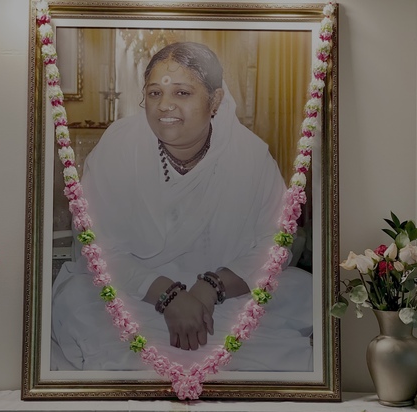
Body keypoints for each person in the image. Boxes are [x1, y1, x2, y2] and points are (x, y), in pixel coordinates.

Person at [51, 42, 313, 372]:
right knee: (78, 296)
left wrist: (209, 288)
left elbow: (275, 245)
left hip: (227, 295)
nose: (165, 106)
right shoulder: (120, 146)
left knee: (302, 289)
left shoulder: (250, 156)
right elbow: (97, 246)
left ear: (215, 100)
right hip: (137, 293)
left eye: (182, 93)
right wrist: (169, 296)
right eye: (155, 93)